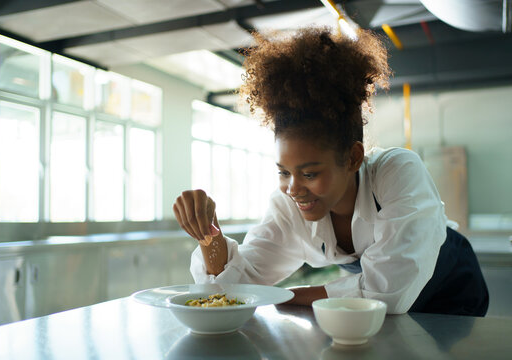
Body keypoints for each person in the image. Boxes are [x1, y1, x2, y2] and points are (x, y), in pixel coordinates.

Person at [173, 26, 489, 315]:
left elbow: (388, 296)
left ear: (353, 158)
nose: (293, 188)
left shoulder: (397, 172)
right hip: (378, 311)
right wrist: (208, 236)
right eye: (284, 172)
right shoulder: (288, 206)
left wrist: (282, 296)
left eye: (309, 173)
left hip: (452, 290)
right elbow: (233, 289)